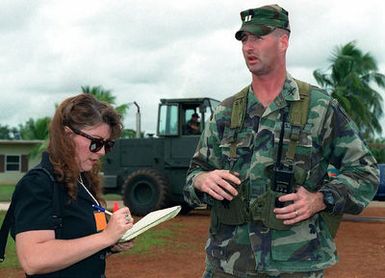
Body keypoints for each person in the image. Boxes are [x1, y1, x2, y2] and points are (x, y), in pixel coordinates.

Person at [184, 4, 379, 277]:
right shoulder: (226, 112)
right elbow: (194, 175)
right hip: (228, 266)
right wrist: (202, 180)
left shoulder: (319, 107)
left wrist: (322, 198)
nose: (248, 46)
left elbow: (365, 171)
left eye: (259, 36)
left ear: (283, 41)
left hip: (296, 266)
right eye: (244, 38)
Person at [9, 94, 134, 277]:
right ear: (68, 135)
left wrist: (111, 243)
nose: (101, 152)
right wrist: (105, 237)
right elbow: (33, 260)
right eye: (96, 143)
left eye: (107, 145)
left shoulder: (82, 180)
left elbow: (77, 241)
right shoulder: (37, 184)